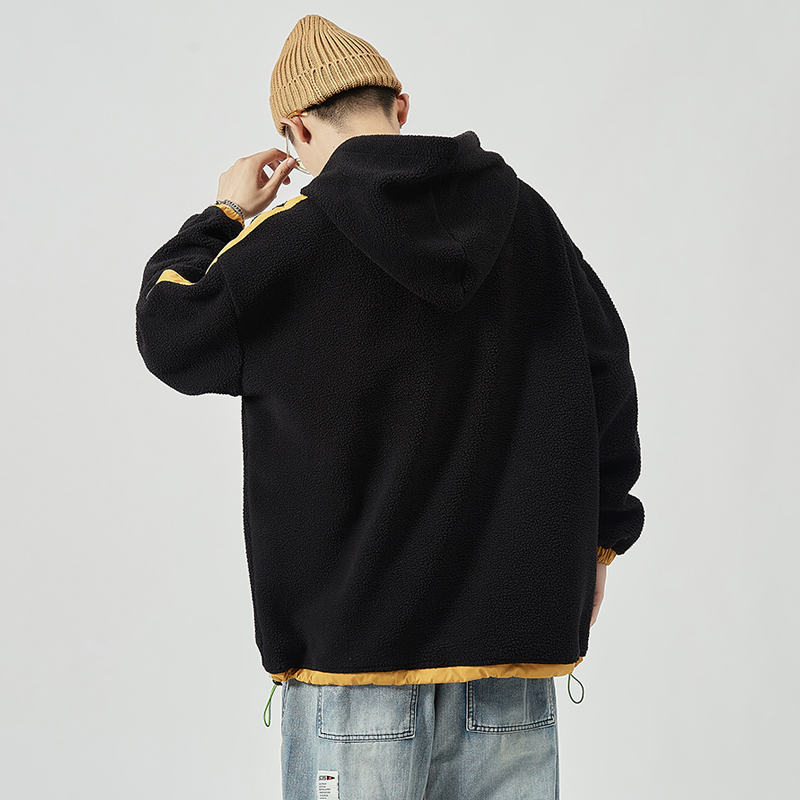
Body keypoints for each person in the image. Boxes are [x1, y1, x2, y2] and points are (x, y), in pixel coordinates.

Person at [135, 13, 645, 800]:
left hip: (352, 668)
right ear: (400, 107)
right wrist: (602, 543)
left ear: (297, 130)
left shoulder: (290, 243)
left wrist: (224, 215)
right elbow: (606, 371)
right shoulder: (526, 217)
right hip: (512, 664)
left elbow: (170, 332)